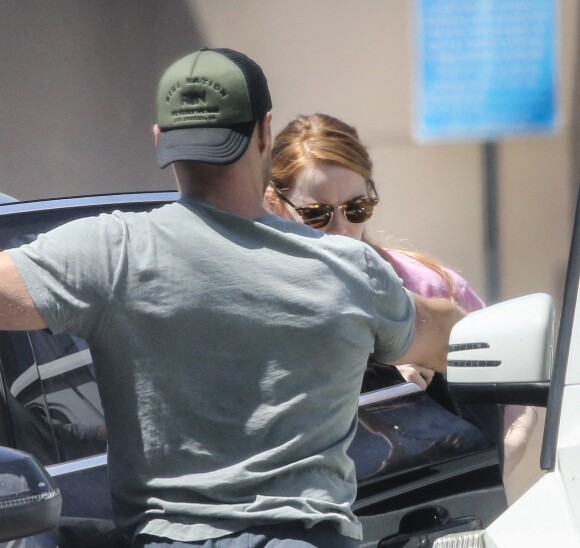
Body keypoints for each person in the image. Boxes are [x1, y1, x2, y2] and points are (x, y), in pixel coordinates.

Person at [0, 49, 463, 547]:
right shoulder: (350, 271)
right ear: (265, 131)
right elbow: (457, 337)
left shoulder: (111, 253)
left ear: (160, 141)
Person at [266, 112, 537, 478]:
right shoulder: (253, 297)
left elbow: (509, 389)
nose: (342, 230)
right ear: (274, 204)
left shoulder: (426, 287)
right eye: (317, 215)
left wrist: (502, 459)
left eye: (357, 208)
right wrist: (387, 389)